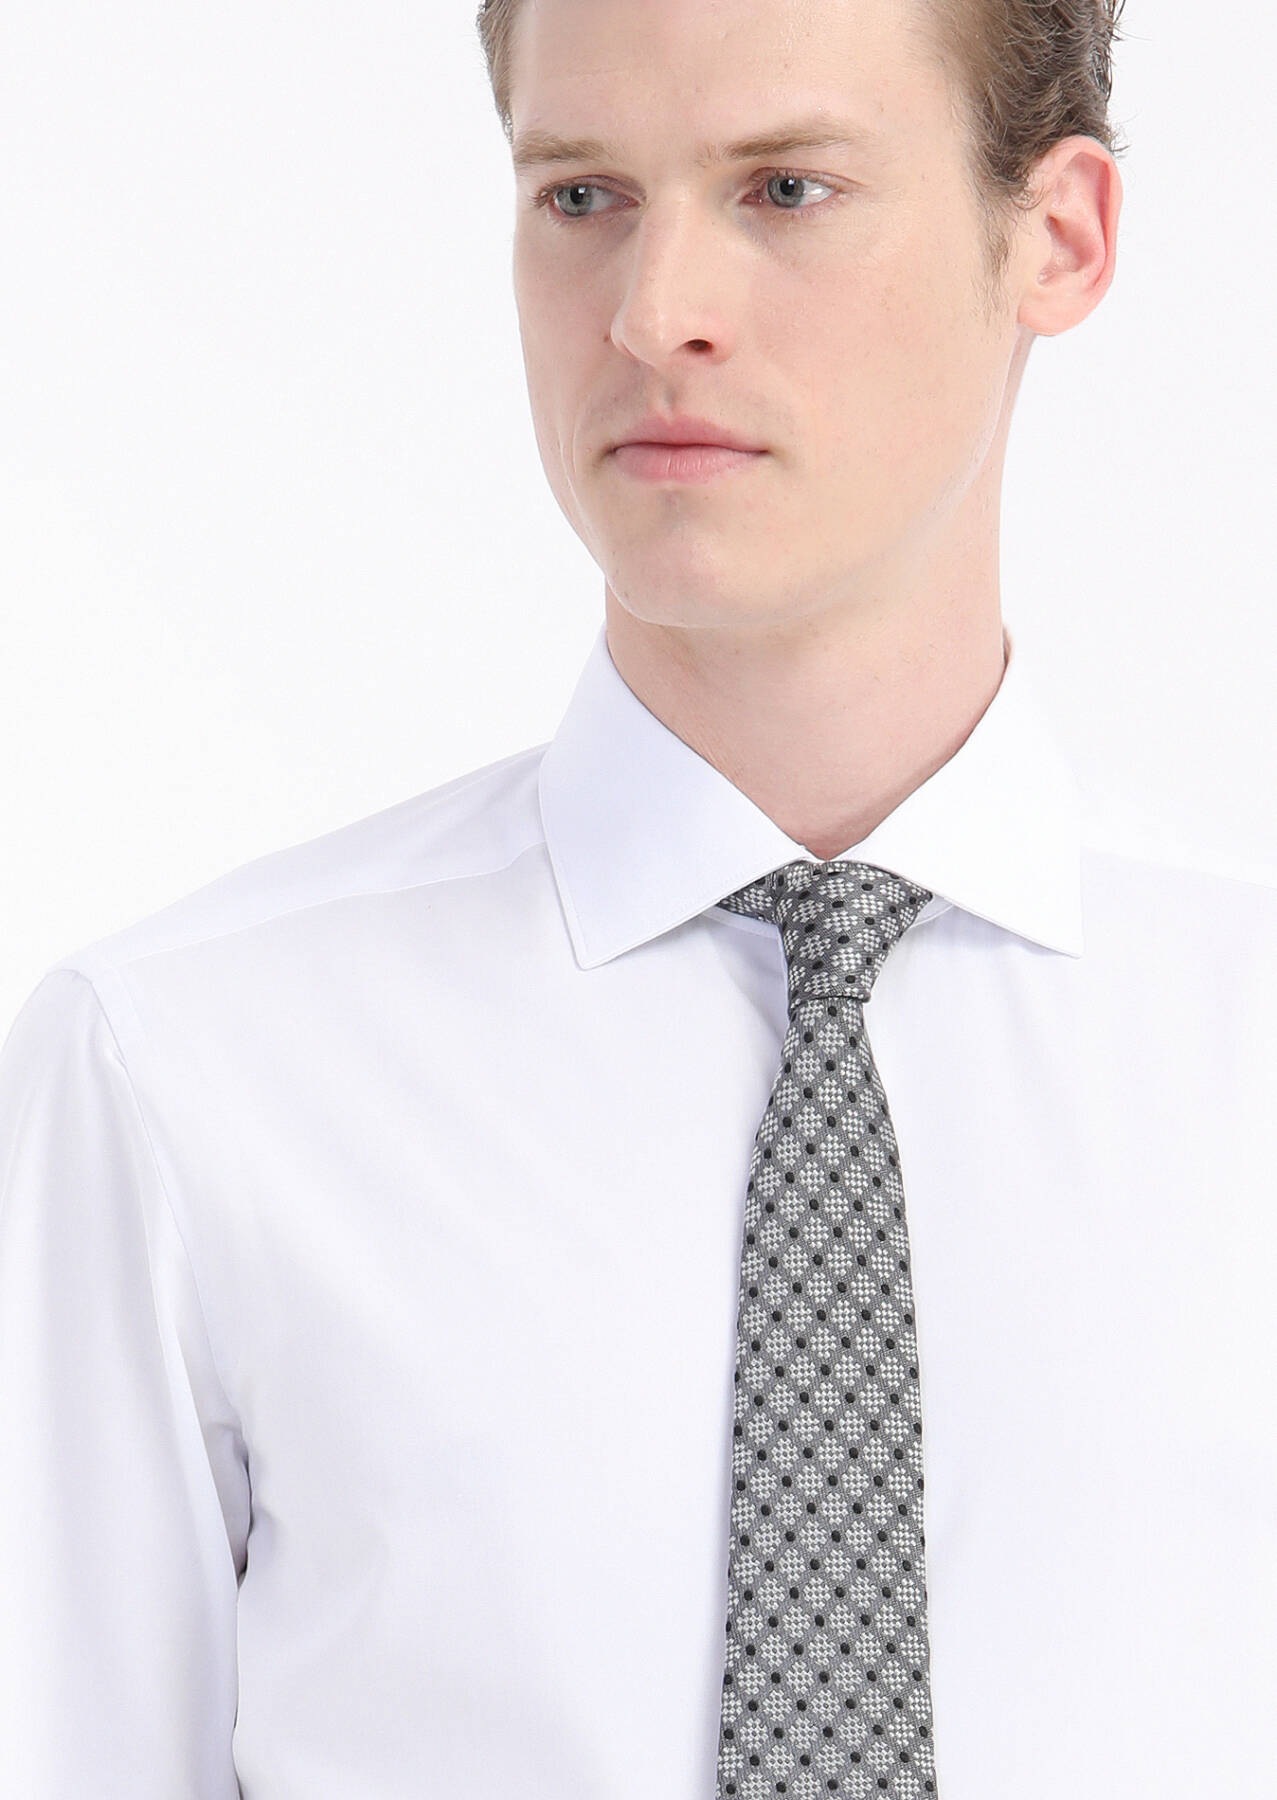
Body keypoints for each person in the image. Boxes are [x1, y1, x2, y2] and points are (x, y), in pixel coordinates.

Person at [2, 0, 1273, 1795]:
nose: (653, 309)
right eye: (582, 196)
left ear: (1054, 238)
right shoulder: (180, 1079)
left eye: (785, 188)